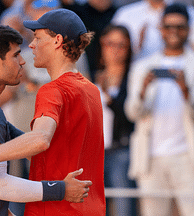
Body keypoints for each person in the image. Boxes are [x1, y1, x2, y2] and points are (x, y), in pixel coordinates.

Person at [0, 9, 106, 215]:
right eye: (17, 55)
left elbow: (41, 140)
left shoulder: (51, 90)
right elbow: (49, 153)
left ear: (57, 41)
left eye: (37, 38)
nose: (30, 48)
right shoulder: (92, 91)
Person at [124, 3, 194, 216]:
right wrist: (143, 90)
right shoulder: (142, 66)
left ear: (188, 29)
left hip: (187, 156)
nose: (173, 32)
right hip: (150, 157)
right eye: (168, 26)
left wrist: (185, 91)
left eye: (180, 27)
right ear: (160, 29)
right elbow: (132, 113)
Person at [95, 24, 137, 216]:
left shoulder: (134, 78)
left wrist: (109, 98)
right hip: (94, 154)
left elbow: (131, 115)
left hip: (122, 151)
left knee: (124, 210)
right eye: (110, 43)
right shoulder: (93, 77)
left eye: (122, 45)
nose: (115, 50)